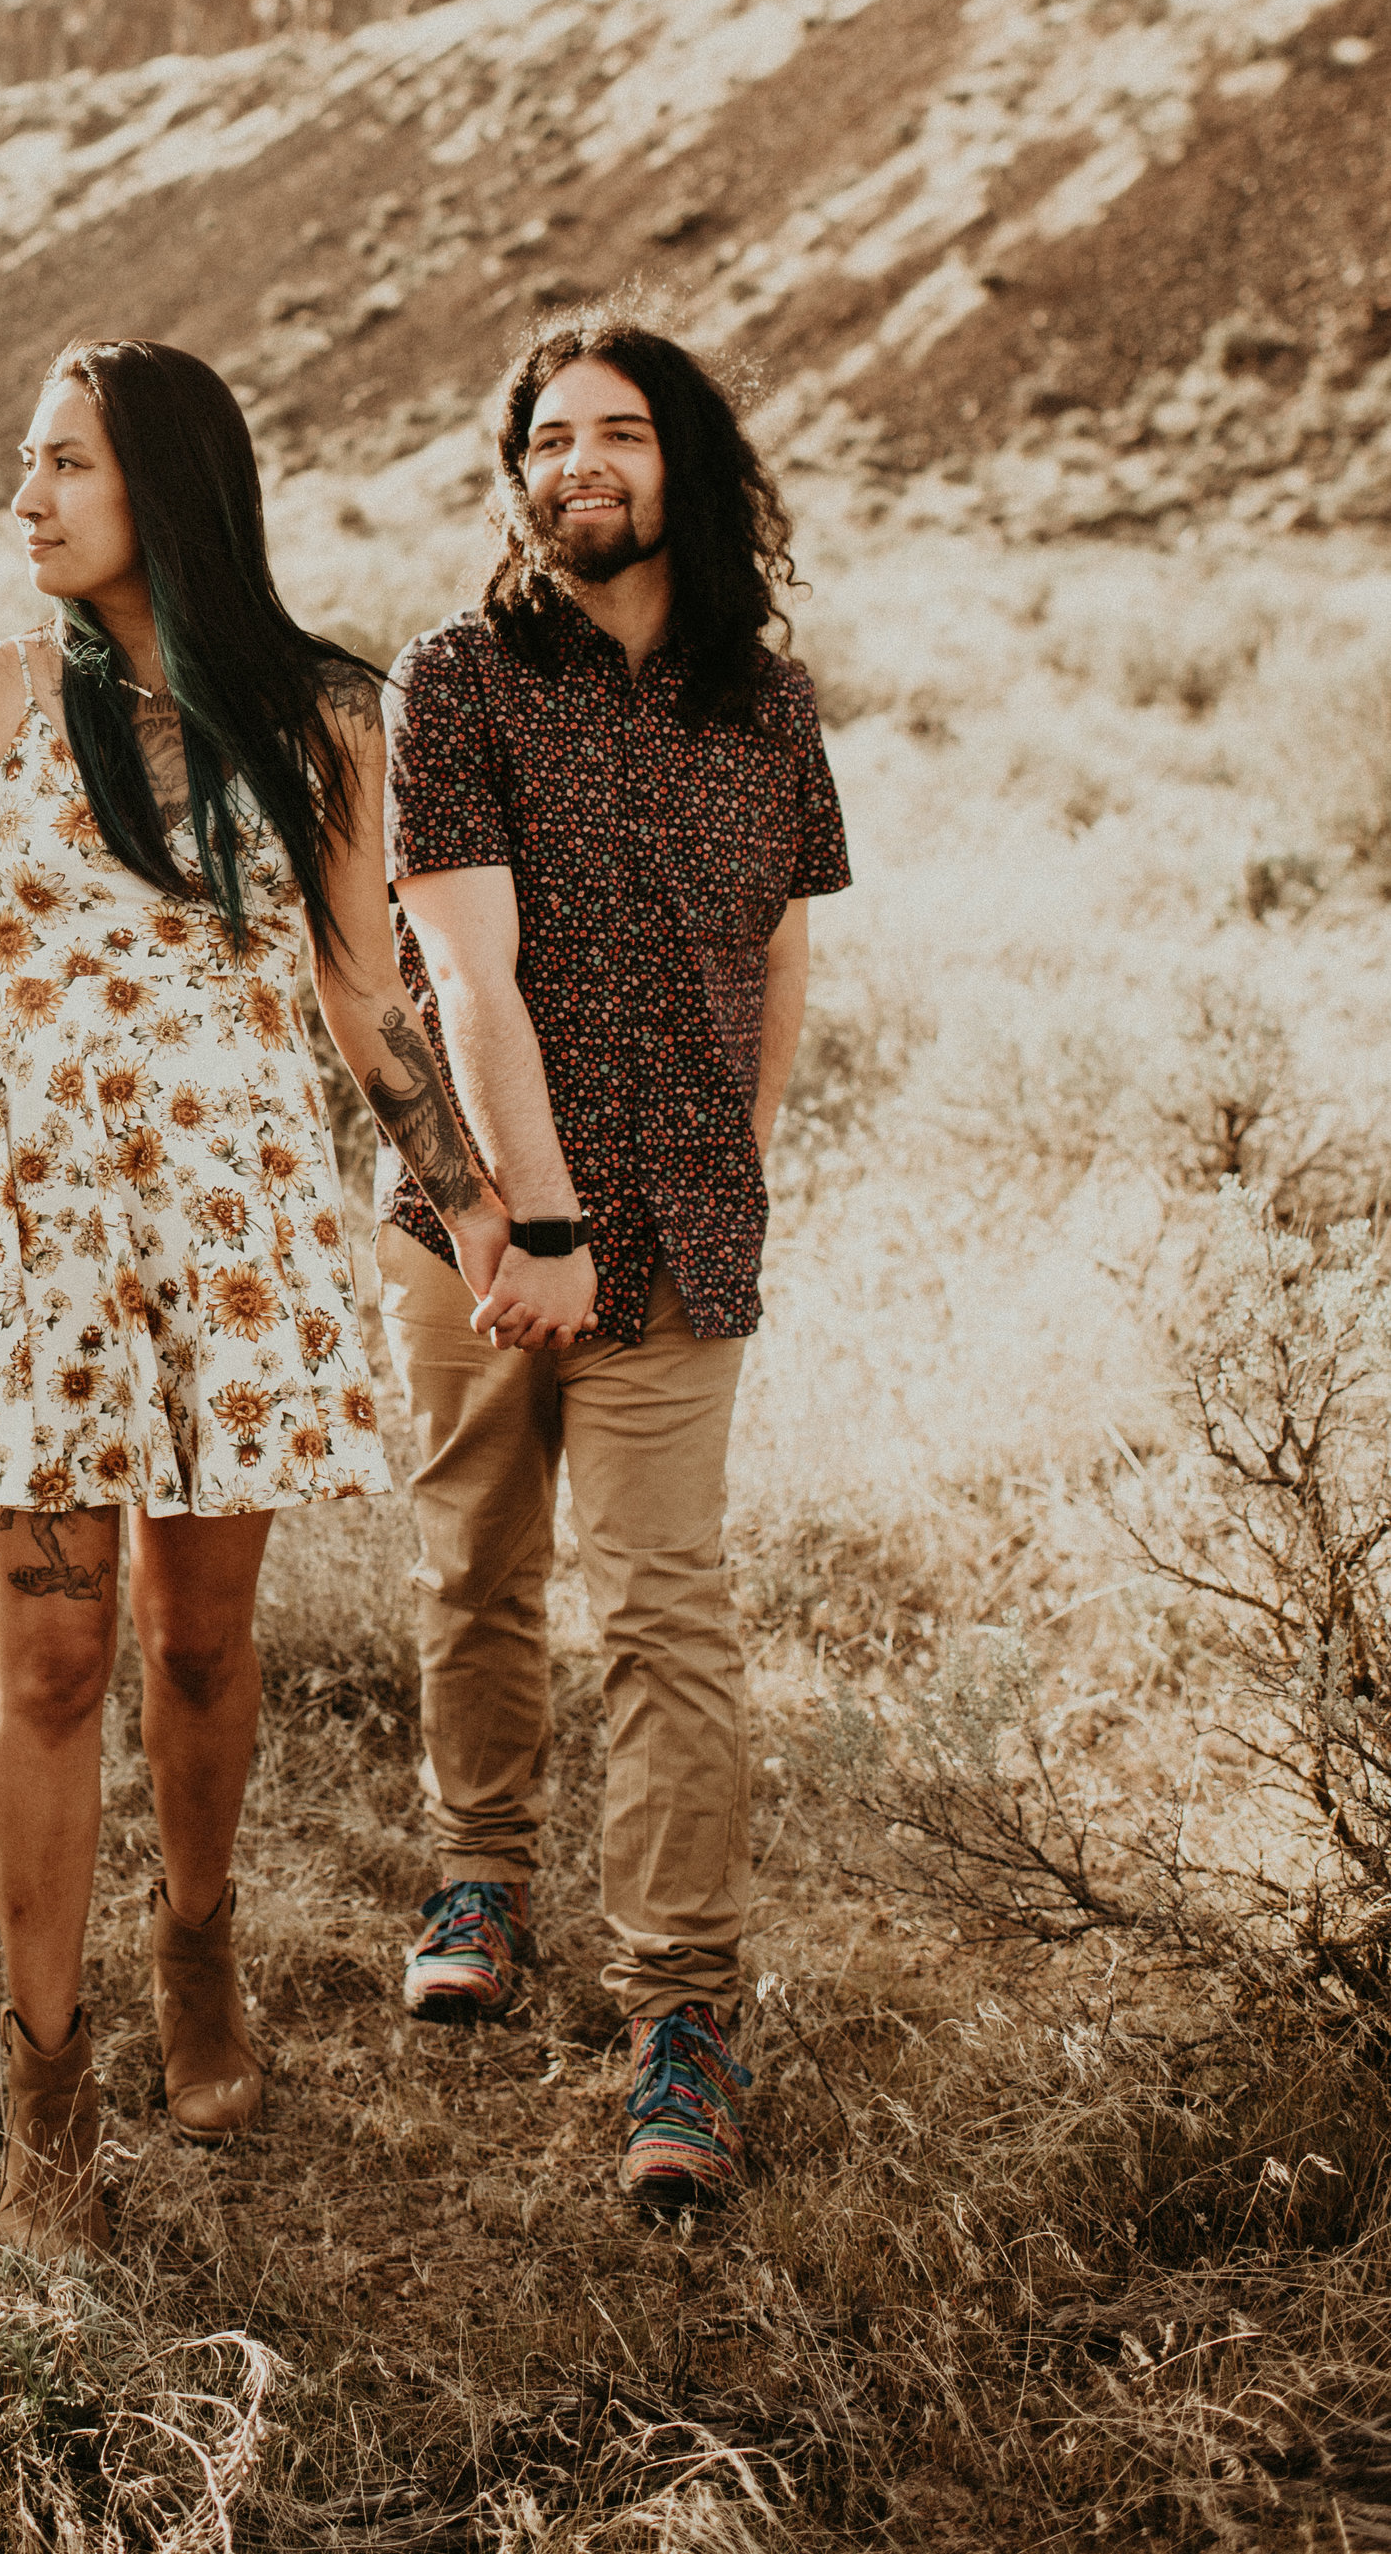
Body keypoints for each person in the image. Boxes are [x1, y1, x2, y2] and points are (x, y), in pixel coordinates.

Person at [0, 337, 503, 2256]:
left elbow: (362, 994)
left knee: (201, 1649)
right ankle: (45, 2096)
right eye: (20, 460)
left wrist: (475, 1209)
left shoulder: (318, 717)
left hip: (238, 1239)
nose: (25, 495)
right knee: (50, 1663)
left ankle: (194, 1941)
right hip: (34, 1233)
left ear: (170, 487)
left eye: (63, 463)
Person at [377, 308, 850, 2213]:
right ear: (518, 475)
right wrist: (537, 1221)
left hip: (682, 1242)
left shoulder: (770, 700)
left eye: (623, 431)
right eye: (551, 436)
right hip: (485, 1229)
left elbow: (786, 956)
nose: (583, 462)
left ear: (690, 467)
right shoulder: (456, 679)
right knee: (477, 1563)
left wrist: (730, 1161)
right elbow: (464, 972)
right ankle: (482, 1872)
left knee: (669, 1615)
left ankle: (685, 2018)